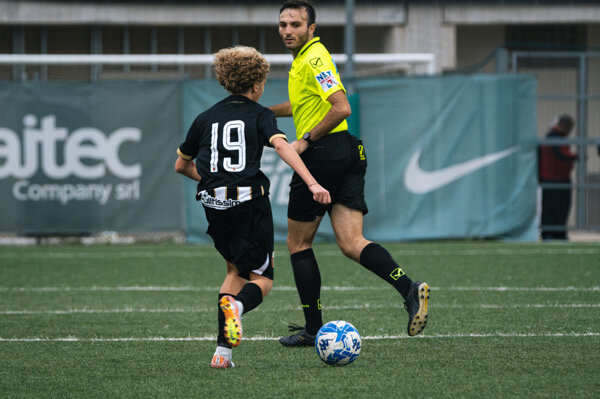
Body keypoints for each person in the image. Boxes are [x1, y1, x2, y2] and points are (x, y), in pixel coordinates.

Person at [270, 0, 430, 347]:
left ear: (311, 29)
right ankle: (409, 288)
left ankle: (314, 328)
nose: (287, 30)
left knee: (298, 243)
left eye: (295, 24)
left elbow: (341, 106)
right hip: (347, 151)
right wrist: (263, 114)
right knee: (351, 243)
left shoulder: (313, 57)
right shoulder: (306, 60)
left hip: (322, 154)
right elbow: (302, 106)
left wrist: (305, 140)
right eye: (283, 24)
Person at [175, 45, 331, 368]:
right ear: (258, 84)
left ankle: (222, 353)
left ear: (225, 81)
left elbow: (180, 165)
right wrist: (312, 182)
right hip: (249, 202)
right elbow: (281, 145)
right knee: (262, 279)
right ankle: (239, 309)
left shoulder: (204, 118)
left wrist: (211, 181)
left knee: (234, 271)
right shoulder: (261, 114)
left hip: (213, 204)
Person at [538, 115, 578, 240]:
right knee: (552, 207)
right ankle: (549, 233)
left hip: (560, 178)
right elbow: (560, 155)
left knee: (561, 208)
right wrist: (574, 157)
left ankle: (559, 233)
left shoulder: (558, 138)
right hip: (553, 178)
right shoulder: (554, 138)